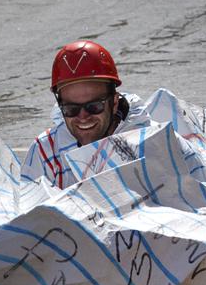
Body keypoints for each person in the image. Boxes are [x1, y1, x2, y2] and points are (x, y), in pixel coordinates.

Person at [22, 40, 134, 189]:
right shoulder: (46, 152)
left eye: (94, 106)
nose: (83, 117)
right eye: (71, 109)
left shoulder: (148, 142)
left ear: (114, 103)